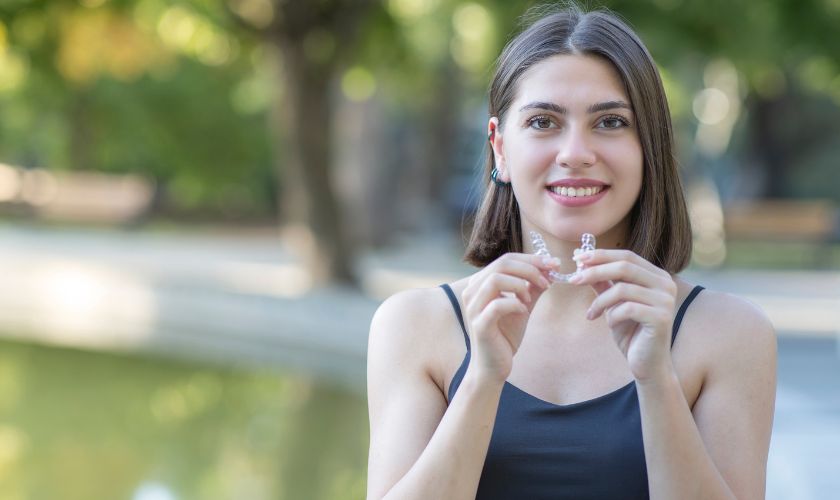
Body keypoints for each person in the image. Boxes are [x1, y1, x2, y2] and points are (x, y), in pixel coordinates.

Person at [366, 5, 776, 500]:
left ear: (650, 146)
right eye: (543, 121)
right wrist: (481, 380)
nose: (576, 153)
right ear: (500, 147)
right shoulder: (414, 326)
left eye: (610, 122)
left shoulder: (731, 333)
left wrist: (656, 381)